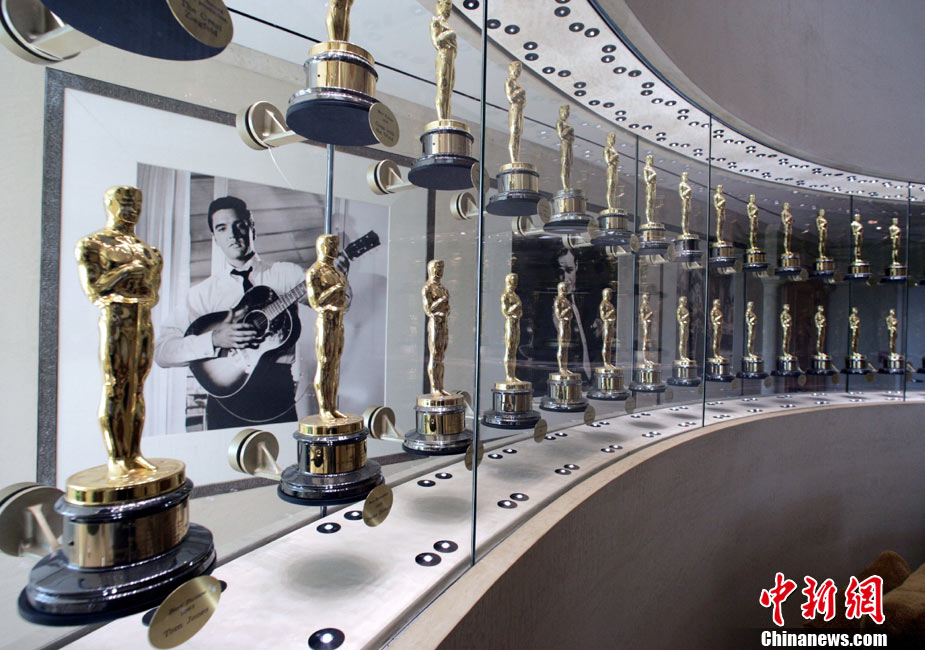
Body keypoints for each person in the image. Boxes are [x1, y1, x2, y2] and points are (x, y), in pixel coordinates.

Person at [154, 196, 308, 430]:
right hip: (225, 403)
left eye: (239, 225)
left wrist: (336, 281)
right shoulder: (202, 294)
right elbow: (162, 352)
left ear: (252, 226)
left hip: (276, 395)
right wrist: (213, 339)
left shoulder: (286, 275)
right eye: (222, 228)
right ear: (215, 238)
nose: (233, 235)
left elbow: (338, 304)